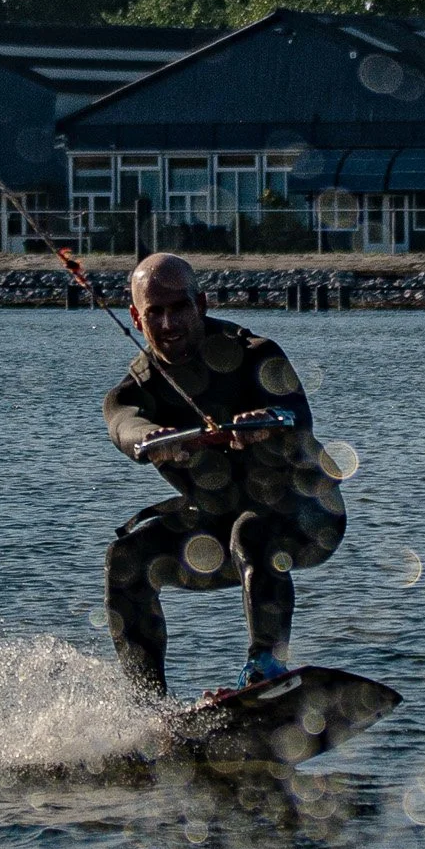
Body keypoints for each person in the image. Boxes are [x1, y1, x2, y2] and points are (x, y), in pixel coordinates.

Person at [102, 253, 345, 699]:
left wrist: (269, 421)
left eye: (179, 308)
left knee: (252, 532)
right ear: (136, 318)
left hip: (308, 517)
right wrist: (153, 438)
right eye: (155, 312)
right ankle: (148, 706)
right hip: (216, 527)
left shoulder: (257, 355)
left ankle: (265, 666)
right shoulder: (132, 392)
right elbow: (123, 426)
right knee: (126, 557)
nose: (169, 322)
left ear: (203, 303)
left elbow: (297, 414)